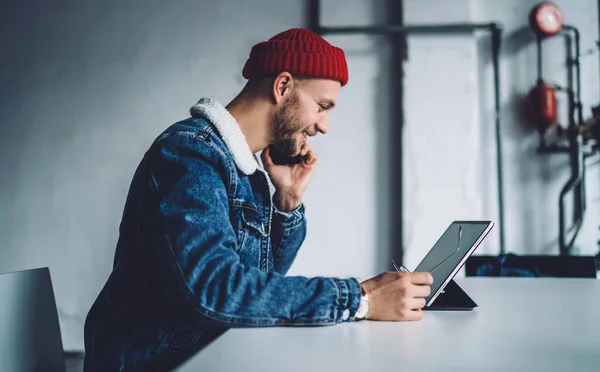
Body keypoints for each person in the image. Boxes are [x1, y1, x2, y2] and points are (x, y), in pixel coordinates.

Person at [83, 28, 433, 371]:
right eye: (322, 106)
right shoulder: (190, 153)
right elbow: (214, 289)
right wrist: (359, 299)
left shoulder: (246, 172)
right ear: (282, 87)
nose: (324, 126)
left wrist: (287, 202)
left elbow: (255, 288)